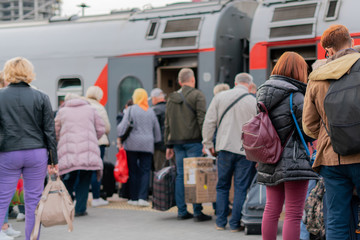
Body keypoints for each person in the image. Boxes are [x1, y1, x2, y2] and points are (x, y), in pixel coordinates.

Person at [302, 24, 360, 240]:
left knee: (336, 219)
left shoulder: (317, 77)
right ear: (351, 41)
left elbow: (308, 125)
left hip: (331, 158)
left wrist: (332, 133)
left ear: (329, 51)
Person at [256, 52, 318, 240]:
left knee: (271, 209)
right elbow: (307, 132)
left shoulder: (262, 93)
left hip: (269, 157)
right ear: (298, 70)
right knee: (293, 213)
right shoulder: (297, 97)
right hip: (295, 159)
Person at [0, 57, 58, 240]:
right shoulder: (41, 96)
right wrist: (53, 160)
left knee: (2, 199)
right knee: (33, 202)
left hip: (8, 152)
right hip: (36, 153)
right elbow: (49, 131)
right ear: (28, 73)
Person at [202, 73, 257, 231]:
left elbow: (209, 121)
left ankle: (220, 222)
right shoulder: (253, 101)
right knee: (240, 187)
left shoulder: (220, 97)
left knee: (222, 186)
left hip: (224, 148)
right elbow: (260, 129)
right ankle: (234, 224)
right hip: (245, 150)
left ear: (235, 82)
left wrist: (207, 143)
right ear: (249, 85)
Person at [165, 68, 212, 222]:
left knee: (180, 175)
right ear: (193, 80)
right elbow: (201, 119)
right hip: (193, 142)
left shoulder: (171, 98)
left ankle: (182, 211)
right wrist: (206, 141)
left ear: (179, 81)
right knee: (196, 175)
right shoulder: (197, 95)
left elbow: (167, 124)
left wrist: (168, 145)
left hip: (177, 143)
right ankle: (197, 212)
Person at [55, 93, 105, 217]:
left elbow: (55, 131)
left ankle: (66, 207)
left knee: (69, 177)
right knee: (84, 178)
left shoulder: (62, 111)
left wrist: (61, 141)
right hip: (87, 151)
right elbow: (101, 129)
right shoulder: (91, 109)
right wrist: (92, 138)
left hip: (68, 151)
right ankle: (80, 209)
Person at [117, 88, 161, 207]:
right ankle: (143, 197)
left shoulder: (131, 109)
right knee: (145, 171)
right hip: (147, 144)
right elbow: (156, 130)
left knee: (133, 170)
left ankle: (134, 197)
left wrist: (119, 136)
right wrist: (157, 141)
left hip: (132, 144)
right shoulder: (151, 111)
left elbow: (122, 127)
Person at [85, 86, 111, 207]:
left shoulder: (83, 105)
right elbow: (106, 127)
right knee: (96, 170)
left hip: (84, 142)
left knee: (84, 170)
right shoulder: (99, 107)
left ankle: (81, 197)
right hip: (99, 142)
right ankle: (96, 197)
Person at [149, 88, 167, 171]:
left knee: (160, 170)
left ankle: (159, 184)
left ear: (155, 98)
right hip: (171, 143)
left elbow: (152, 128)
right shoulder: (170, 107)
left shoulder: (155, 110)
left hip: (159, 145)